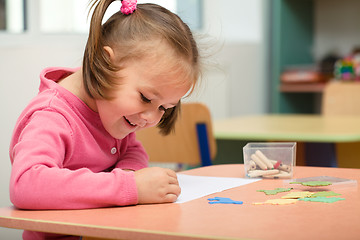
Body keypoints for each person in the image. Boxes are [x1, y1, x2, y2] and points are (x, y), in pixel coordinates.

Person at [9, 0, 201, 239]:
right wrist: (130, 187)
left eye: (164, 107)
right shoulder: (52, 116)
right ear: (107, 62)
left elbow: (131, 150)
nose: (151, 118)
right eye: (145, 97)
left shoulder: (109, 109)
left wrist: (131, 173)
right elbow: (26, 184)